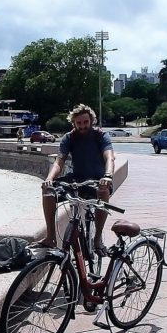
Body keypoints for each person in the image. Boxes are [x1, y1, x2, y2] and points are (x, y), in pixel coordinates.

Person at [38, 105, 116, 249]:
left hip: (98, 179)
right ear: (73, 123)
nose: (82, 126)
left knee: (103, 191)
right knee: (48, 191)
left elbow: (109, 157)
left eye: (85, 122)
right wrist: (49, 178)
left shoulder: (101, 136)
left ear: (91, 120)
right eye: (78, 123)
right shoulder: (69, 138)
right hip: (76, 179)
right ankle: (51, 237)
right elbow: (59, 161)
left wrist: (108, 176)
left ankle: (97, 239)